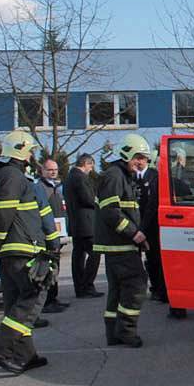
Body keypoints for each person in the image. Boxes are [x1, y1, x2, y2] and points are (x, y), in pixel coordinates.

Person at [0, 130, 57, 374]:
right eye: (30, 151)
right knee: (32, 299)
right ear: (21, 150)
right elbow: (3, 214)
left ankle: (26, 355)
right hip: (21, 250)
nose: (31, 156)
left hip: (12, 251)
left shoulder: (6, 175)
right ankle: (0, 350)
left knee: (16, 302)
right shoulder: (13, 176)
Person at [93, 134, 151, 347]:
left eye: (144, 158)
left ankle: (114, 333)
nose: (142, 162)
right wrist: (134, 234)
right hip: (120, 244)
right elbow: (110, 212)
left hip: (118, 244)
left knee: (117, 289)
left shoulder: (121, 175)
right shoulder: (115, 176)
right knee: (136, 284)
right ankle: (126, 331)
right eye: (138, 157)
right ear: (126, 153)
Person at [63, 154, 103, 298]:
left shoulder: (69, 178)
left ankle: (80, 287)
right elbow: (87, 199)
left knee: (78, 256)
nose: (91, 169)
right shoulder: (80, 178)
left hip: (75, 223)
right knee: (95, 253)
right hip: (86, 224)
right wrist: (99, 203)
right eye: (91, 166)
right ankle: (87, 285)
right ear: (86, 163)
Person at [36, 159, 70, 313]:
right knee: (48, 268)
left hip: (58, 232)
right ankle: (47, 301)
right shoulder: (39, 188)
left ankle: (54, 298)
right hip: (46, 234)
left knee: (55, 267)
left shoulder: (58, 186)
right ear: (42, 171)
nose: (53, 172)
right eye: (50, 170)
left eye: (55, 169)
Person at [136, 150, 166, 302]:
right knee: (147, 260)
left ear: (147, 160)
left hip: (152, 226)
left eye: (141, 159)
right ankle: (153, 287)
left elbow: (152, 206)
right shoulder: (133, 178)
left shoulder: (154, 177)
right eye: (136, 159)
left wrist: (144, 228)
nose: (139, 162)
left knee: (155, 259)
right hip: (137, 225)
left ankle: (159, 290)